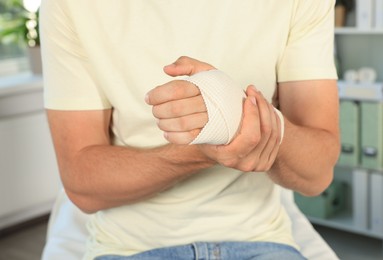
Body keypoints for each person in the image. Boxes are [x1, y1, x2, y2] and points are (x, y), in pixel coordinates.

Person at [40, 0, 340, 259]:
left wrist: (239, 118)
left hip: (259, 241)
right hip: (130, 248)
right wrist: (204, 148)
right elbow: (82, 185)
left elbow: (317, 174)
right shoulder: (73, 6)